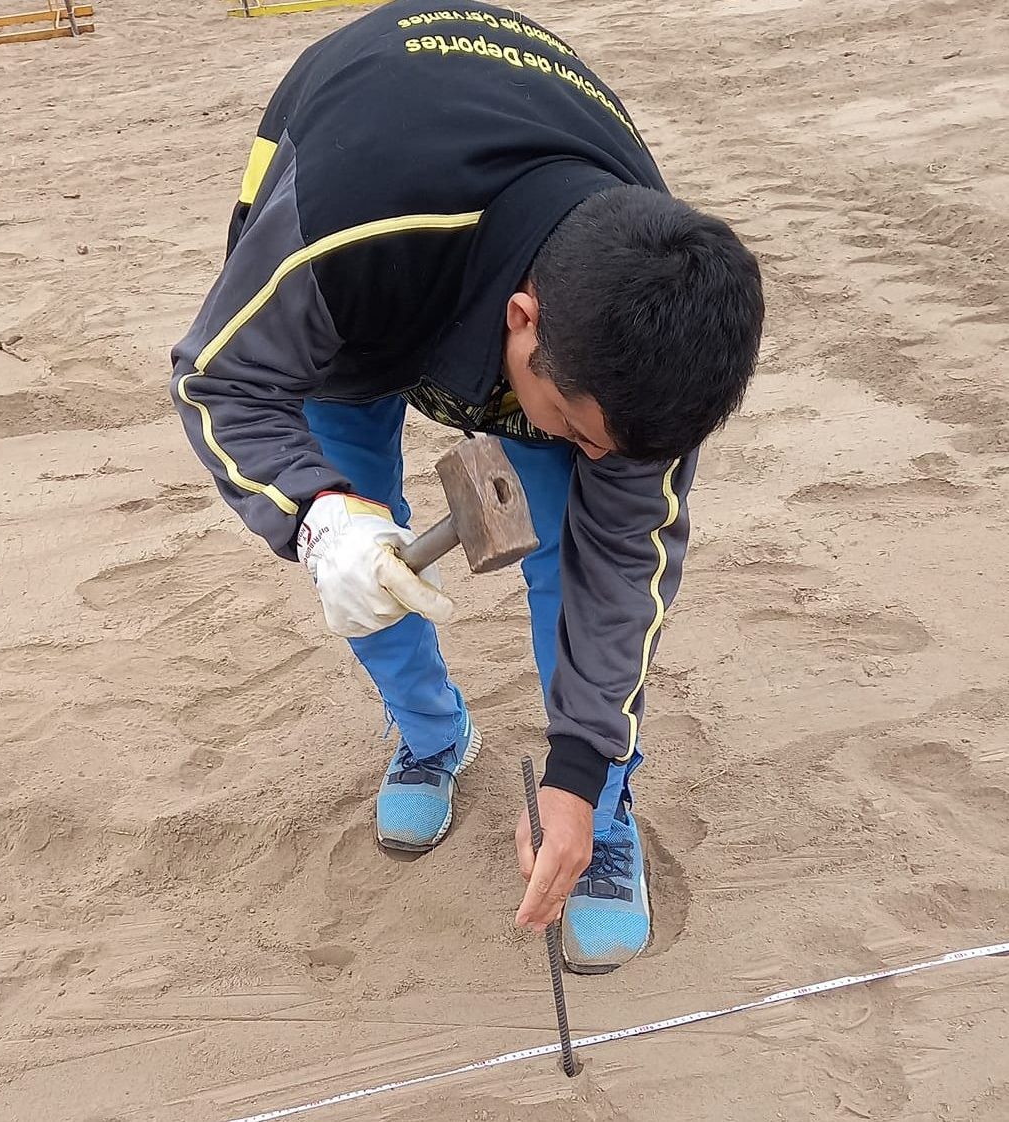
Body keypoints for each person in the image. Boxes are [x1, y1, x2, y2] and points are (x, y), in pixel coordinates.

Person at [171, 0, 763, 973]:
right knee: (364, 551)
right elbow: (219, 380)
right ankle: (431, 733)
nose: (592, 456)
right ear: (524, 320)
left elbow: (622, 559)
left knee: (580, 545)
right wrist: (318, 521)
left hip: (518, 275)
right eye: (573, 429)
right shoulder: (342, 234)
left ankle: (600, 815)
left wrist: (577, 772)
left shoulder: (654, 326)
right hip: (368, 275)